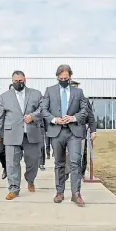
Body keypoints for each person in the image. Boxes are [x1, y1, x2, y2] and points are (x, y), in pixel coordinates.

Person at [41, 64, 88, 207]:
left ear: (70, 77)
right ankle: (59, 192)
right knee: (59, 163)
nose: (63, 80)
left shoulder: (78, 92)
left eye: (66, 78)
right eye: (61, 78)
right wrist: (55, 119)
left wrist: (73, 118)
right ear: (57, 77)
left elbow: (84, 110)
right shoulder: (49, 91)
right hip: (57, 131)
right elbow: (43, 109)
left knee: (75, 162)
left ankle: (76, 193)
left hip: (74, 132)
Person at [0, 70, 43, 200]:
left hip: (31, 133)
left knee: (33, 161)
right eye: (15, 81)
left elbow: (43, 109)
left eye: (20, 81)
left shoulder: (36, 94)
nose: (18, 83)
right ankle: (14, 188)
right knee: (11, 163)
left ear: (25, 80)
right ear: (12, 81)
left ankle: (30, 180)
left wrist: (33, 116)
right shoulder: (4, 96)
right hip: (12, 134)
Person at [68, 81, 97, 179]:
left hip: (80, 130)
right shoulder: (62, 99)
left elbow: (91, 117)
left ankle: (81, 173)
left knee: (80, 154)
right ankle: (66, 172)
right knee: (66, 154)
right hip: (65, 130)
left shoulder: (84, 100)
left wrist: (93, 130)